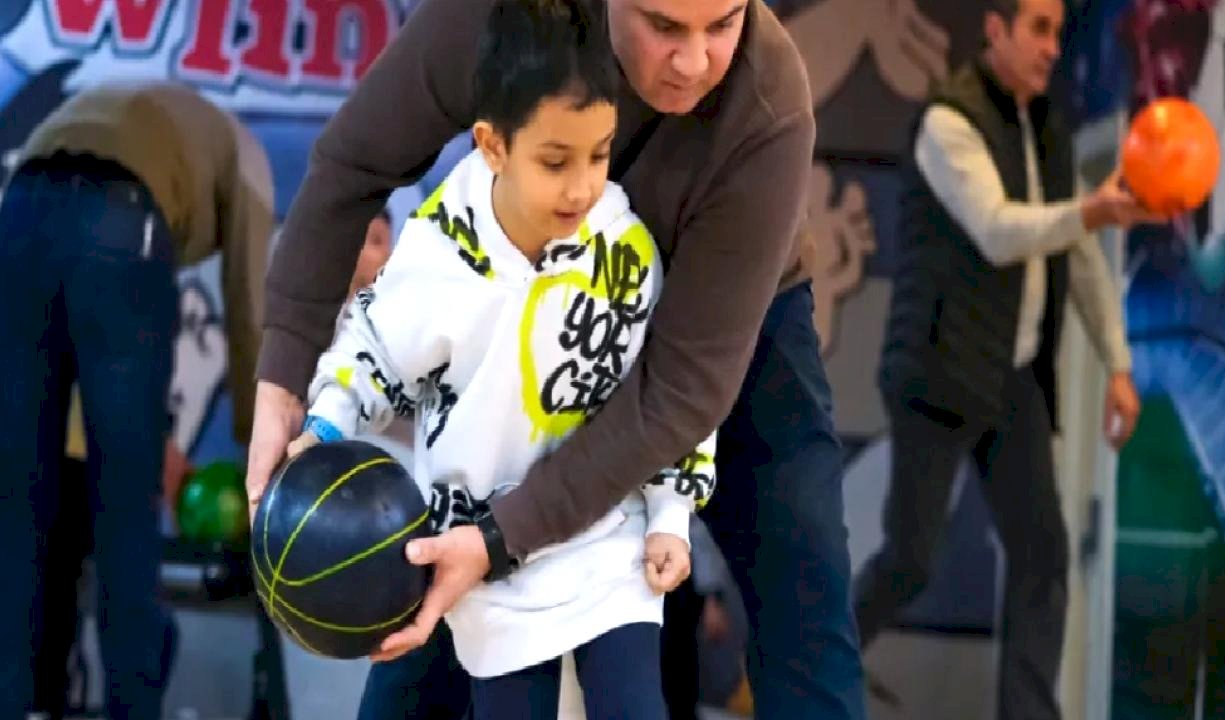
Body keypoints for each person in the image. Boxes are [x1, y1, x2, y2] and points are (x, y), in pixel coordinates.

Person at [246, 0, 868, 715]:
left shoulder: (769, 100)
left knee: (805, 601)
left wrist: (501, 538)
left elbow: (680, 393)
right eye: (664, 26)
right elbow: (352, 162)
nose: (695, 60)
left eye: (723, 24)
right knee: (445, 615)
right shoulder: (493, 19)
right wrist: (285, 378)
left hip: (724, 324)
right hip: (532, 307)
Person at [284, 2, 714, 717]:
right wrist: (324, 427)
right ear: (491, 145)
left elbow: (673, 394)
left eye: (601, 154)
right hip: (480, 552)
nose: (583, 187)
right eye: (555, 160)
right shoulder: (439, 250)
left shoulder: (628, 254)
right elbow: (373, 350)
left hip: (608, 543)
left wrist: (671, 513)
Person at [852, 1, 1168, 718]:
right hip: (937, 373)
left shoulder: (1049, 131)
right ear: (995, 29)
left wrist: (1117, 366)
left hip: (1013, 376)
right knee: (910, 563)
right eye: (1039, 29)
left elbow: (1078, 254)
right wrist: (1090, 210)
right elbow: (997, 230)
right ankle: (802, 666)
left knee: (1043, 556)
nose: (1053, 47)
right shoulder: (948, 122)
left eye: (1059, 31)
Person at [0, 82, 274, 719]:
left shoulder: (149, 119)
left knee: (17, 506)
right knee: (125, 509)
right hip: (120, 217)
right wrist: (262, 456)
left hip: (19, 208)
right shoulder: (247, 156)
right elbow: (250, 311)